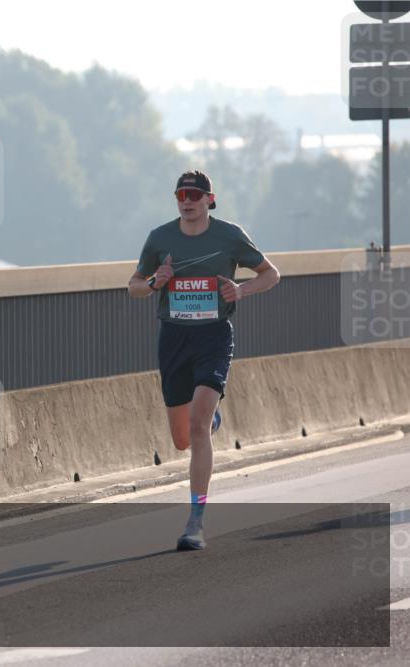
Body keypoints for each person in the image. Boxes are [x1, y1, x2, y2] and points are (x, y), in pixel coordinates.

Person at [128, 171, 280, 550]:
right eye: (181, 195)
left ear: (210, 199)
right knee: (182, 440)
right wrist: (155, 282)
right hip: (174, 338)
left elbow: (271, 275)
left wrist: (241, 290)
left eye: (194, 195)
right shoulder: (160, 238)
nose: (187, 201)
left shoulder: (229, 236)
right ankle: (210, 420)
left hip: (214, 336)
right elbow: (133, 287)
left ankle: (195, 521)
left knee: (196, 427)